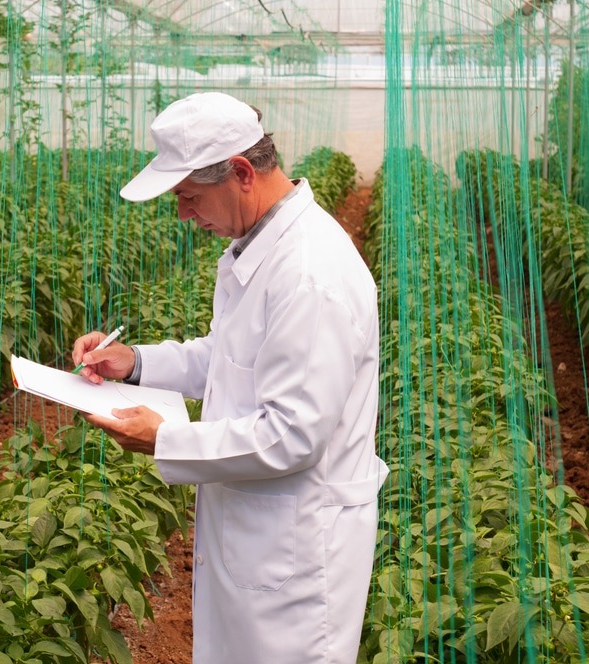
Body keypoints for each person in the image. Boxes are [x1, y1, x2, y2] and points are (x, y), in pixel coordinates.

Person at [72, 92, 388, 663]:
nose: (184, 214)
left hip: (296, 561)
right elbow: (230, 357)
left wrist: (163, 438)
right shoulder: (264, 248)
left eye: (189, 197)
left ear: (241, 172)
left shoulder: (310, 274)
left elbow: (293, 432)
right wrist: (136, 363)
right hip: (259, 536)